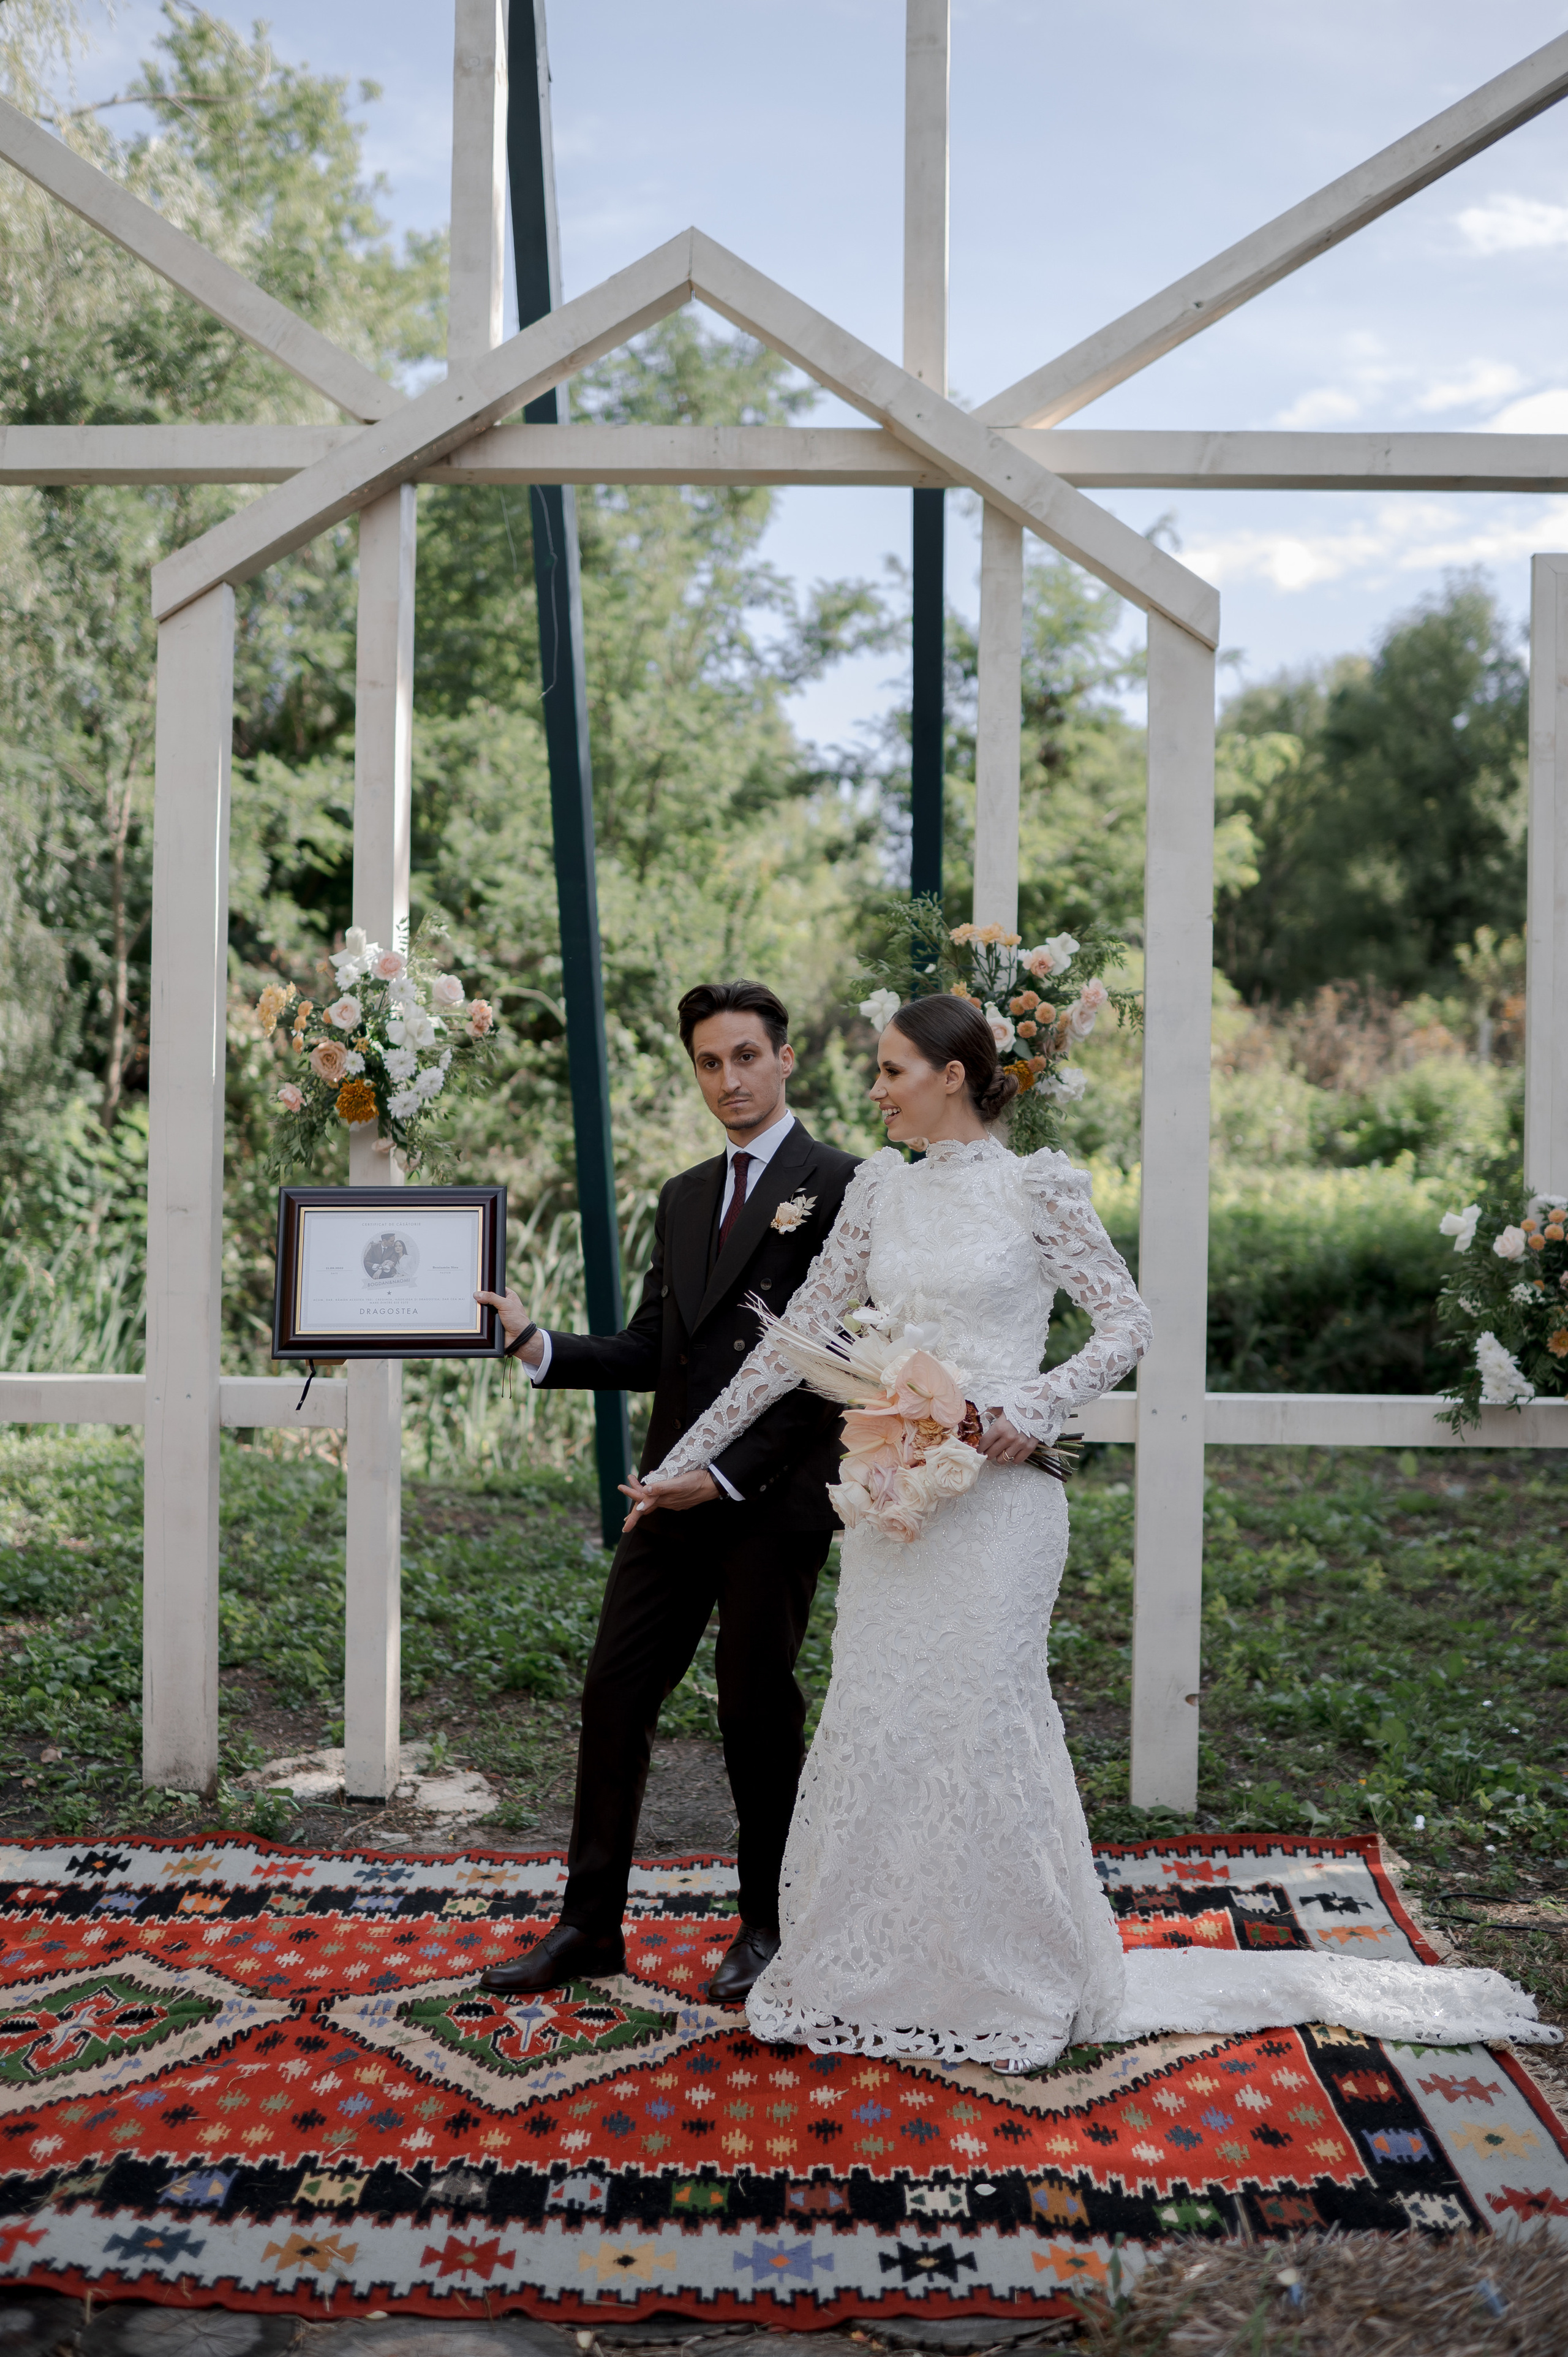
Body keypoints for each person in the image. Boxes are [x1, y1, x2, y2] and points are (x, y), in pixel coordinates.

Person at [624, 992, 1555, 2068]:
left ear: (953, 1077)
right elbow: (789, 1349)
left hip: (1001, 1511)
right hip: (894, 1505)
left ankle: (1012, 1971)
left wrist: (1032, 1406)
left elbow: (1128, 1320)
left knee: (983, 1717)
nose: (873, 1092)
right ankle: (884, 1963)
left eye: (890, 1071)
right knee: (884, 1719)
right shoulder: (878, 1191)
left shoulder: (1038, 1186)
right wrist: (687, 1459)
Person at [476, 978, 860, 2007]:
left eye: (745, 1057)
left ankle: (767, 1926)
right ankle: (588, 1929)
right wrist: (538, 1341)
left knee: (754, 1706)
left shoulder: (848, 1185)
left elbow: (835, 1362)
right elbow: (661, 1346)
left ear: (787, 1059)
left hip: (767, 1497)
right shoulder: (686, 1193)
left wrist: (725, 1475)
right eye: (707, 1062)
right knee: (614, 1692)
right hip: (669, 1485)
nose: (727, 1079)